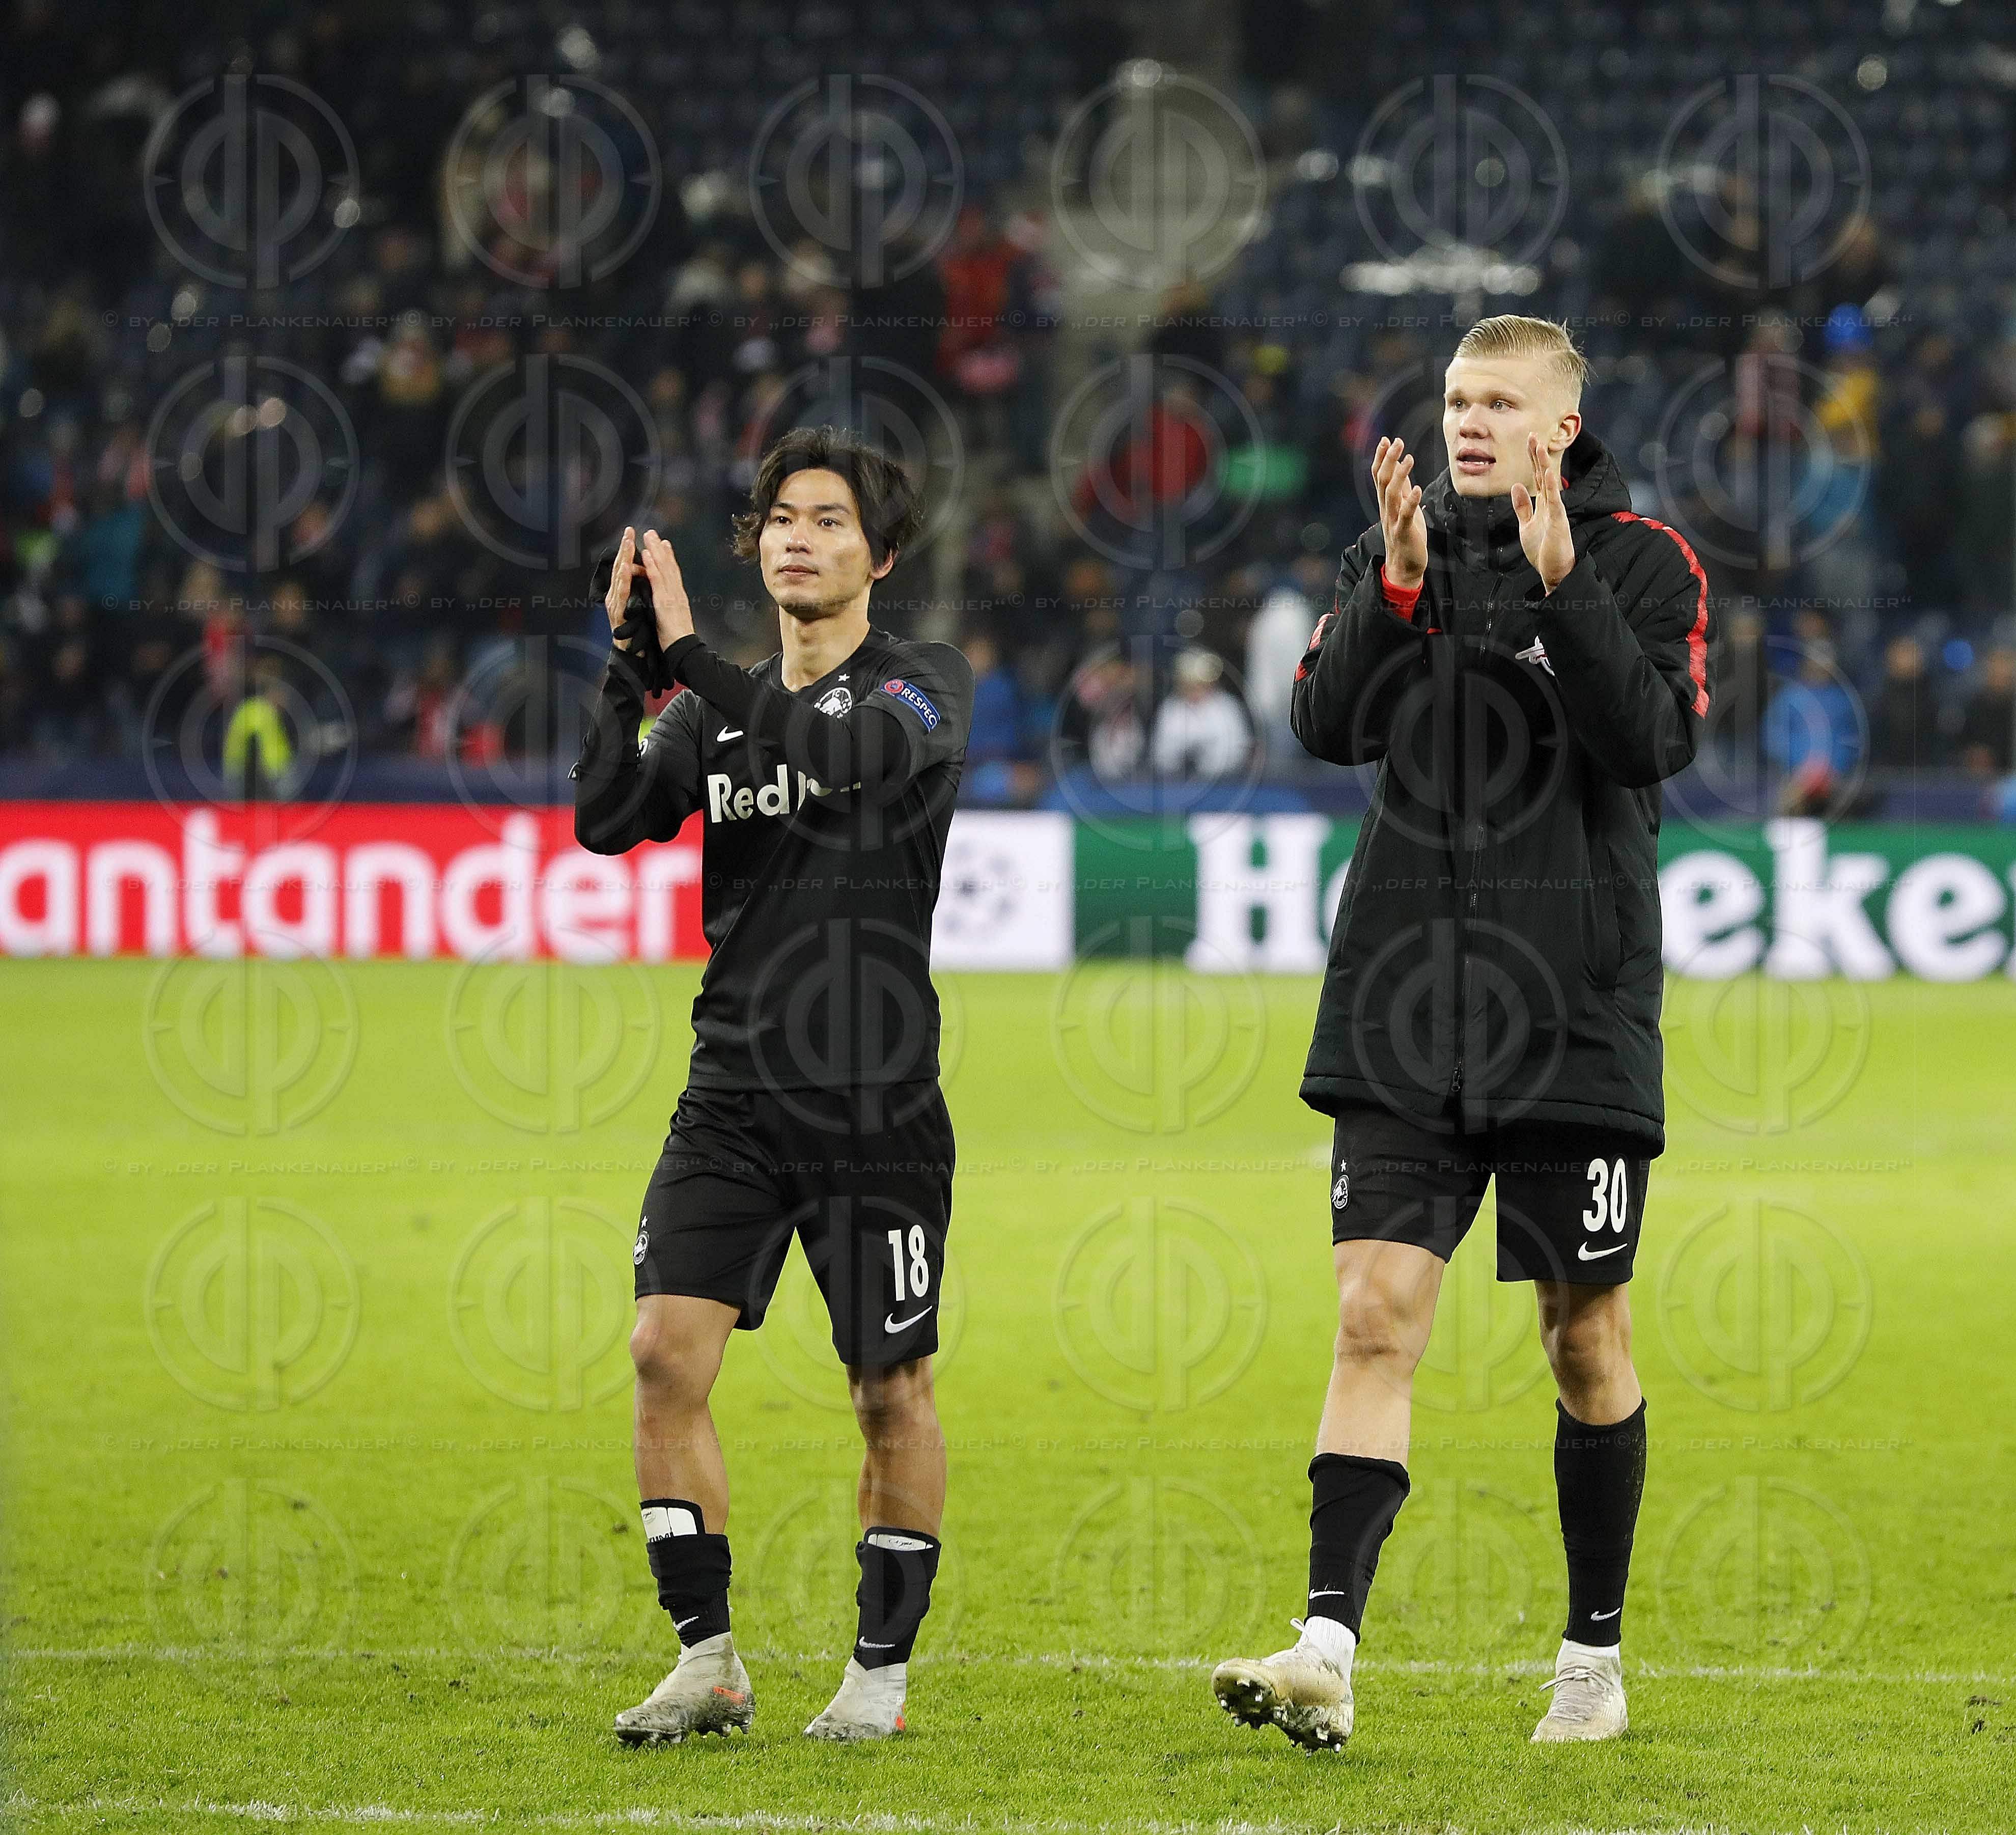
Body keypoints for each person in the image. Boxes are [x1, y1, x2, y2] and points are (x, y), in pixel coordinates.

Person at [1209, 316, 1712, 1750]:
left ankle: (1591, 1660)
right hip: (1405, 1012)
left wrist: (1562, 585)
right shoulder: (1402, 551)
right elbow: (1323, 722)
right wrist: (1398, 589)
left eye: (1498, 401)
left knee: (1582, 1335)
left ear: (1561, 424)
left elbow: (1650, 741)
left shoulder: (1644, 561)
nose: (1468, 421)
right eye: (1453, 398)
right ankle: (1325, 1642)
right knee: (1374, 1315)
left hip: (1574, 1019)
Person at [572, 426, 974, 1745]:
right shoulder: (709, 710)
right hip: (731, 1093)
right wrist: (627, 680)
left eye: (831, 521)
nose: (799, 536)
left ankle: (876, 1673)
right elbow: (609, 817)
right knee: (659, 1353)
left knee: (886, 1387)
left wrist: (688, 664)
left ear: (882, 555)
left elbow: (847, 759)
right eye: (782, 519)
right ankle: (709, 1661)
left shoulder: (924, 688)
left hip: (875, 1105)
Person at [1150, 647, 1251, 780]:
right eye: (1188, 685)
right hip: (1176, 784)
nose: (1195, 691)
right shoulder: (1170, 709)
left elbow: (1238, 751)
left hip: (1225, 783)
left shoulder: (1229, 707)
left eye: (1199, 684)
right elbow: (1160, 752)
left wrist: (1208, 758)